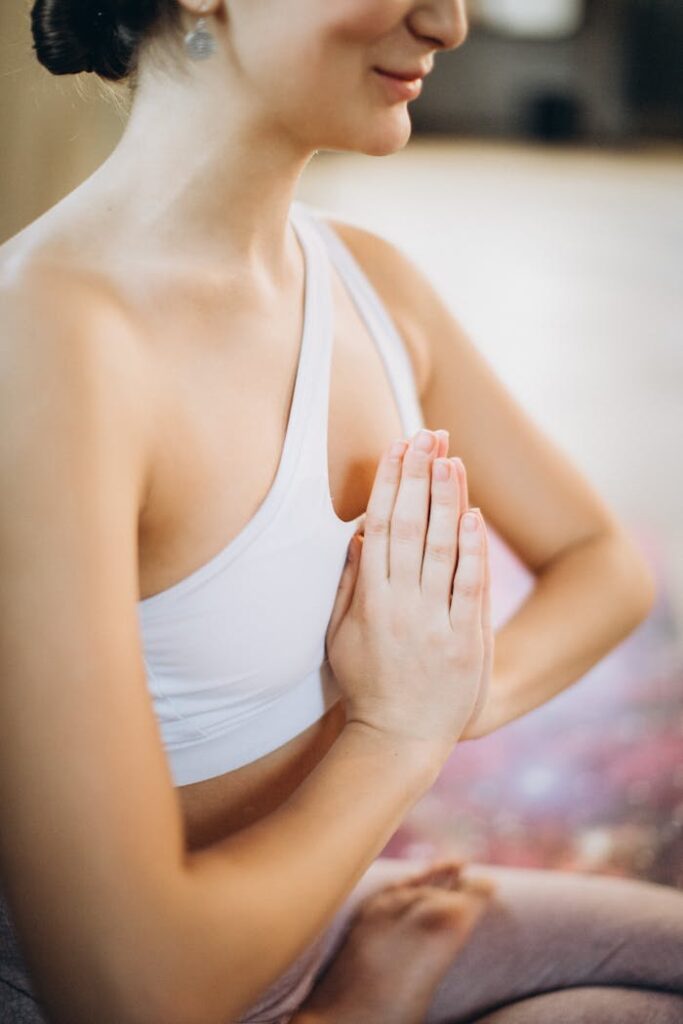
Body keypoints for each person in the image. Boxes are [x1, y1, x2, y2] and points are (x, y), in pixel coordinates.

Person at [1, 1, 682, 1022]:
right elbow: (126, 990)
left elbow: (601, 564)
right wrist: (396, 736)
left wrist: (453, 695)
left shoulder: (371, 283)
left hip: (318, 909)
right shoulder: (51, 347)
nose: (444, 21)